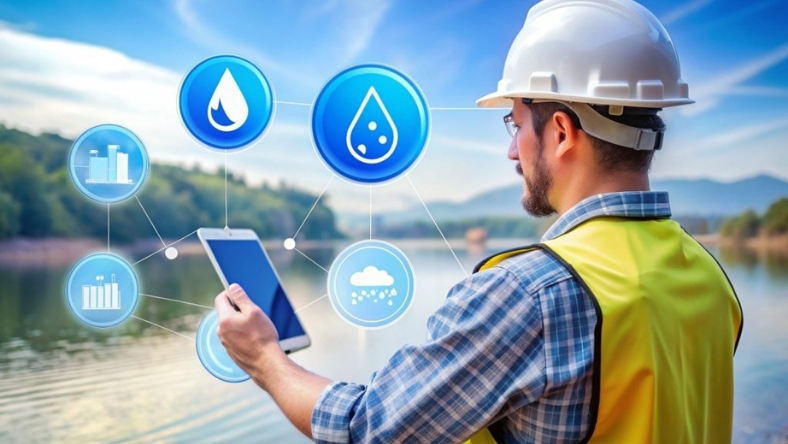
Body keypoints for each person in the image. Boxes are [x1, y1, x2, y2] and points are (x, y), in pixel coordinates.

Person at [215, 0, 743, 442]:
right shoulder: (707, 275)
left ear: (560, 132)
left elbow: (368, 429)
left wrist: (264, 359)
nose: (512, 150)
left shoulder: (528, 294)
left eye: (515, 124)